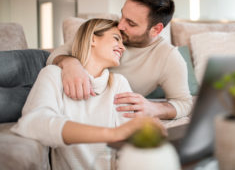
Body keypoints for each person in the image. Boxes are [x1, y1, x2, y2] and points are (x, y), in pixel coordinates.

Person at [11, 19, 165, 169]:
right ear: (92, 39)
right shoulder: (53, 74)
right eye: (116, 38)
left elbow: (128, 144)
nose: (122, 48)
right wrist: (113, 134)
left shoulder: (118, 83)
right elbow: (35, 123)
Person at [47, 0, 193, 120]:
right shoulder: (105, 30)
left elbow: (184, 103)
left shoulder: (168, 58)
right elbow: (53, 56)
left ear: (156, 29)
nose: (120, 25)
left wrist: (154, 108)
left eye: (131, 23)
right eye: (122, 15)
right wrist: (70, 64)